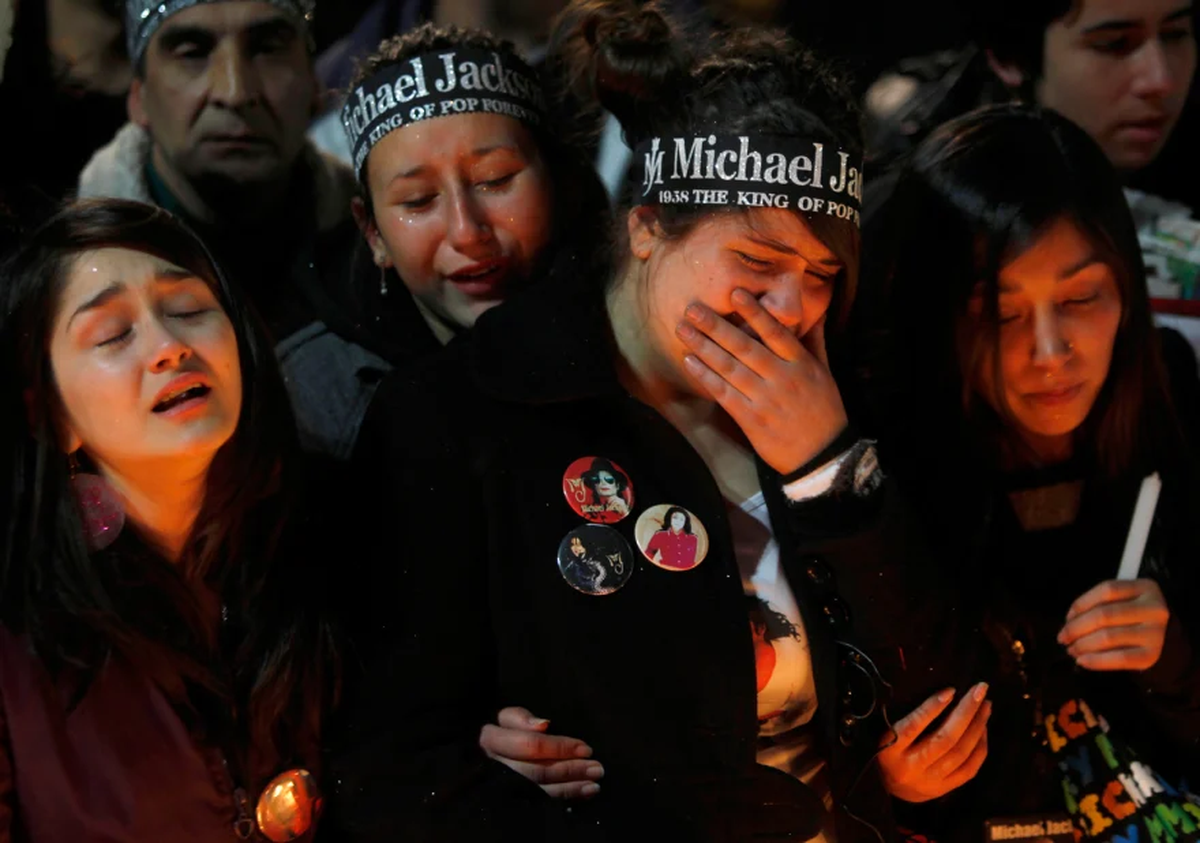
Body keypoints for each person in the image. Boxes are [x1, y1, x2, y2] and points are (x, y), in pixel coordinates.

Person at [327, 3, 989, 840]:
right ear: (644, 228)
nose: (789, 307)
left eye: (822, 270)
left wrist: (828, 473)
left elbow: (951, 707)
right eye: (755, 261)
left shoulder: (844, 382)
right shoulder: (464, 414)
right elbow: (388, 765)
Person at [863, 104, 1200, 840]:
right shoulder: (887, 462)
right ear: (940, 316)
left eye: (1081, 297)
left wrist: (1173, 654)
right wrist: (891, 780)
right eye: (1000, 312)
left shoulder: (1173, 407)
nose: (1050, 351)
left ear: (1128, 293)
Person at [0, 198, 339, 841]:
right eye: (111, 335)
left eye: (188, 310)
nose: (168, 347)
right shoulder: (18, 634)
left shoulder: (327, 534)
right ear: (50, 413)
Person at [77, 0, 389, 461]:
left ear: (314, 83)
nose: (235, 90)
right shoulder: (59, 290)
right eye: (192, 52)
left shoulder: (396, 264)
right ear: (138, 96)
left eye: (266, 49)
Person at [339, 21, 609, 366]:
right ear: (373, 233)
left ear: (559, 182)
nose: (466, 232)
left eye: (495, 180)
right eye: (418, 200)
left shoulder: (645, 341)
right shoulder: (331, 397)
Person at [862, 0, 1197, 218]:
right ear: (1010, 58)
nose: (1161, 80)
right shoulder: (919, 152)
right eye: (1113, 44)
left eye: (1175, 34)